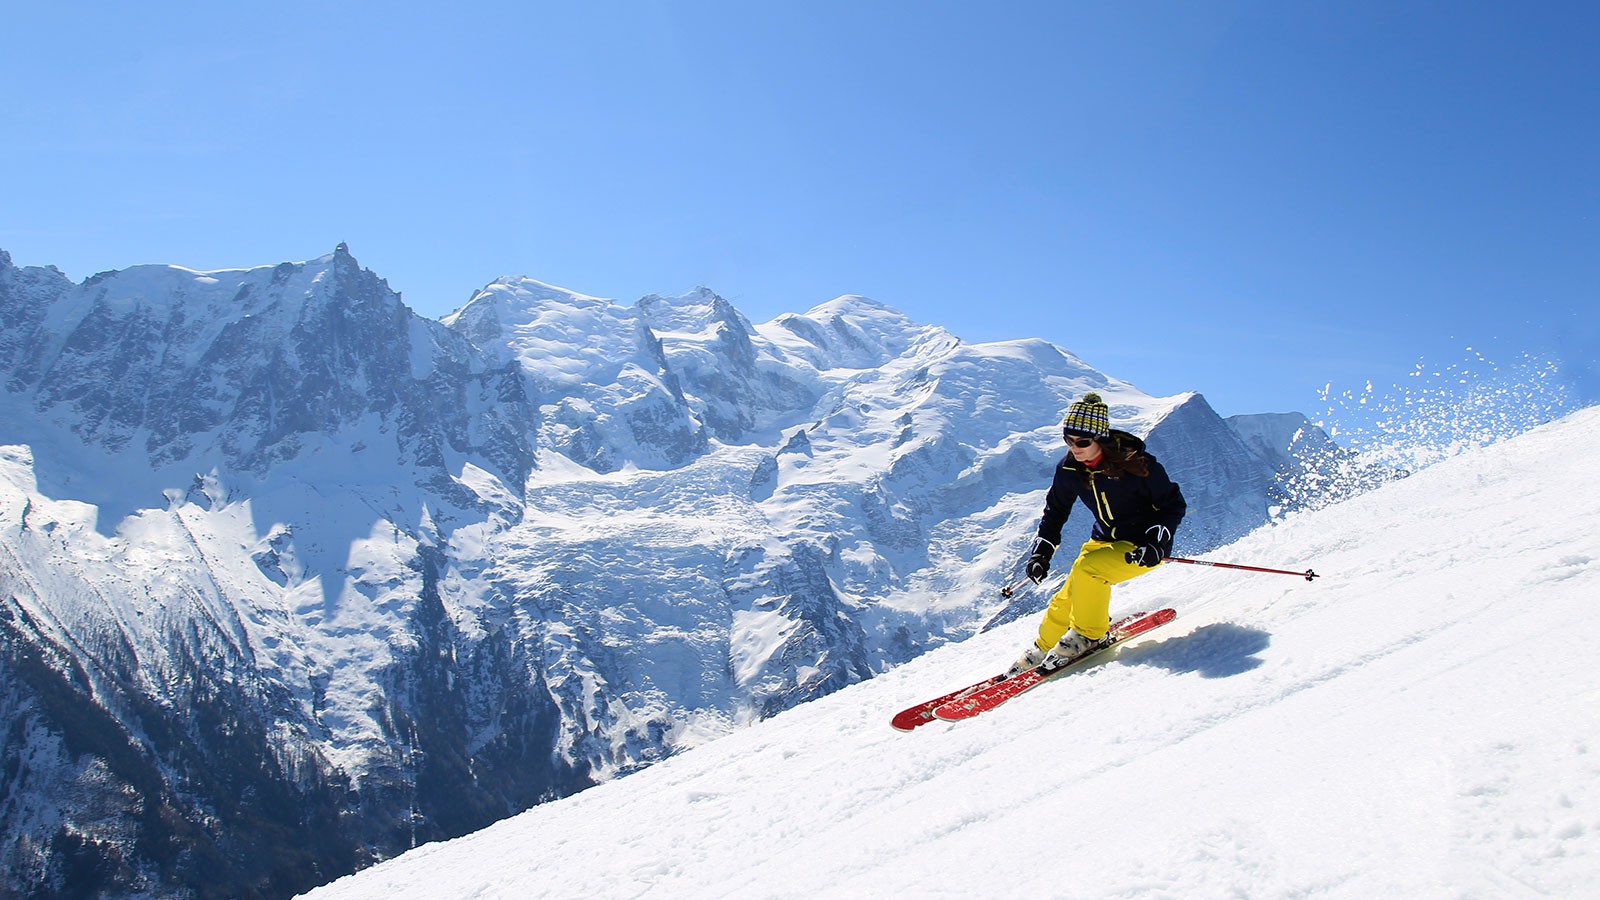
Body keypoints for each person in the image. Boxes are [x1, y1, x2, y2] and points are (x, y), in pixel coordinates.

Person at [1007, 392, 1187, 676]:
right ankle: (1045, 645)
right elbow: (1055, 511)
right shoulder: (1069, 469)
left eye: (1082, 442)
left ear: (1100, 439)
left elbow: (1173, 505)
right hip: (1103, 541)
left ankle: (1090, 635)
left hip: (1140, 545)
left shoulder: (1138, 465)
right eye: (1068, 440)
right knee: (1068, 594)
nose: (1074, 448)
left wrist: (1157, 542)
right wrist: (1041, 553)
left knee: (1088, 571)